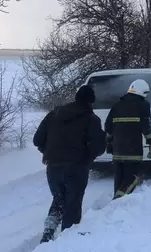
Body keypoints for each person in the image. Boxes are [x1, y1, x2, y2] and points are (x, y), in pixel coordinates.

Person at [33, 85, 106, 243]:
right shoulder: (91, 119)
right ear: (90, 102)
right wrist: (88, 157)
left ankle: (48, 232)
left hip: (52, 167)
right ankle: (67, 243)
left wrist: (51, 153)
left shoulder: (54, 114)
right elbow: (99, 147)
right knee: (72, 205)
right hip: (77, 168)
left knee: (59, 199)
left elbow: (37, 140)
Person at [105, 79, 151, 199]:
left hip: (117, 150)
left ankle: (115, 205)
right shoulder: (143, 105)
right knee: (132, 177)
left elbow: (108, 126)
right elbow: (146, 126)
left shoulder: (117, 105)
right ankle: (118, 201)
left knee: (119, 179)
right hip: (133, 150)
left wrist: (109, 143)